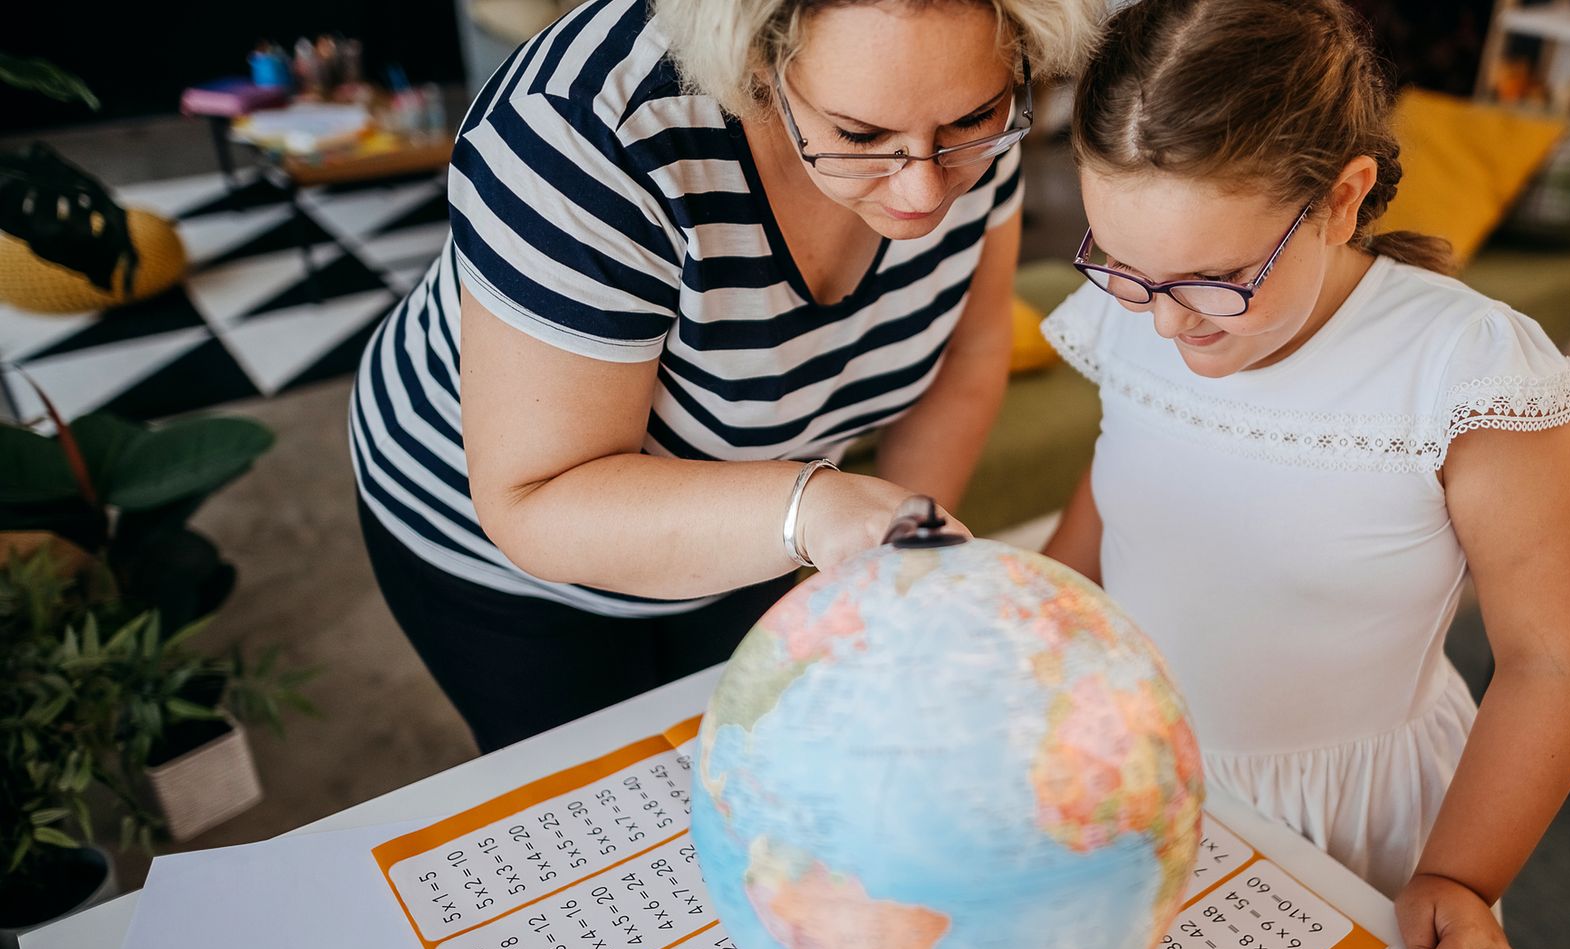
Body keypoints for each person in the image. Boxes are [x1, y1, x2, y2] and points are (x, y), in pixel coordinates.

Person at [1040, 0, 1570, 949]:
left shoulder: (1468, 376)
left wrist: (1460, 874)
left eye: (1215, 282)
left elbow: (1558, 660)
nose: (1166, 324)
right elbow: (1111, 513)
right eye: (1124, 268)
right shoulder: (1137, 320)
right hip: (1133, 772)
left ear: (1343, 197)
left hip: (1349, 814)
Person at [349, 0, 1102, 752]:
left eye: (971, 122)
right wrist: (812, 508)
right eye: (860, 136)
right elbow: (538, 498)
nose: (924, 194)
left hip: (765, 509)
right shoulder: (580, 127)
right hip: (503, 551)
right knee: (605, 795)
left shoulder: (958, 99)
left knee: (745, 750)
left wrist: (884, 571)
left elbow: (968, 357)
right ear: (758, 64)